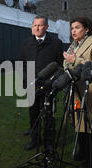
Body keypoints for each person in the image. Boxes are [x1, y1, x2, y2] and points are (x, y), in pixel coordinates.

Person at [63, 17, 92, 167]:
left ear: (86, 29)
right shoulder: (73, 46)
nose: (73, 31)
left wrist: (76, 60)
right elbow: (67, 63)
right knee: (79, 122)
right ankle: (83, 151)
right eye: (72, 28)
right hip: (76, 89)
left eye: (77, 27)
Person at [19, 15, 64, 150]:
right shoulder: (26, 43)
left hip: (49, 86)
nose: (37, 28)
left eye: (40, 25)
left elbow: (59, 65)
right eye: (34, 25)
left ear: (46, 27)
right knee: (33, 114)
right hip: (32, 87)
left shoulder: (56, 43)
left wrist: (52, 82)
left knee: (49, 115)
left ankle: (49, 142)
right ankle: (35, 139)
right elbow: (22, 65)